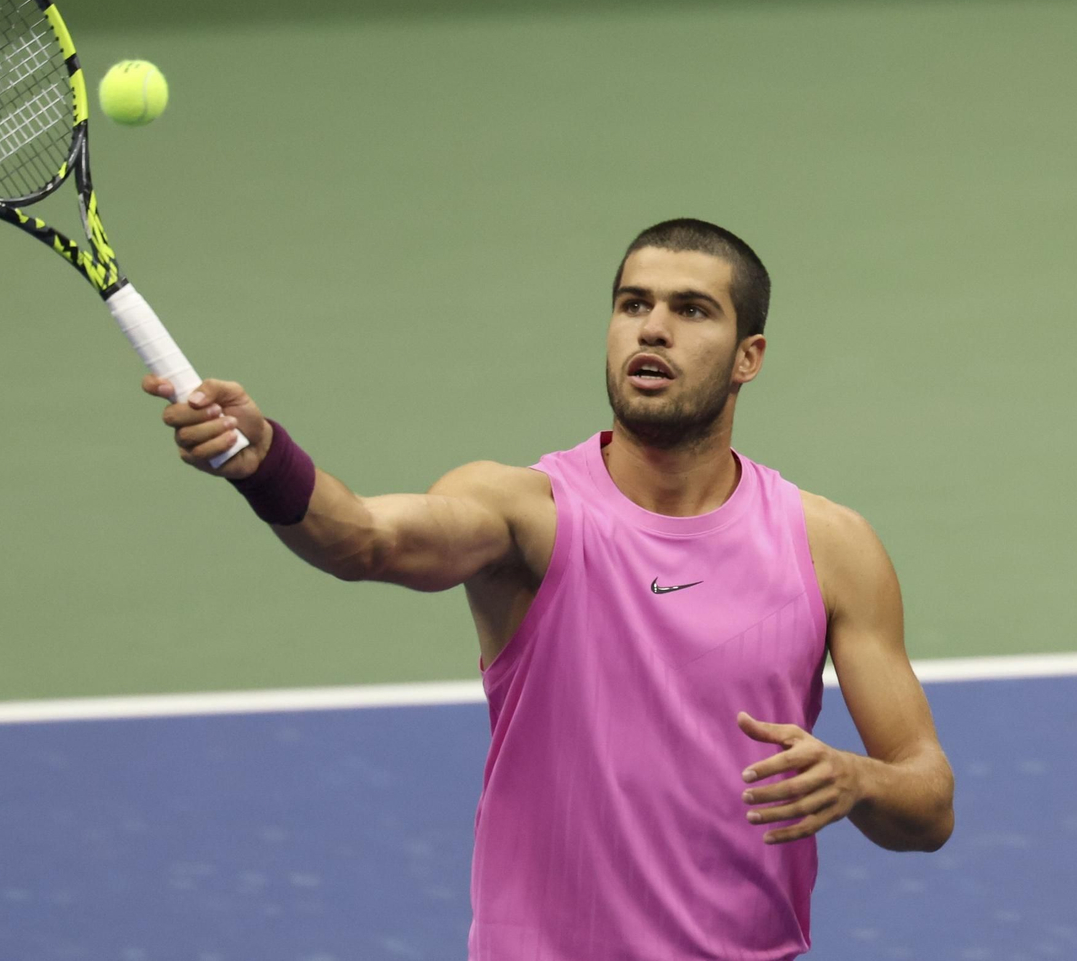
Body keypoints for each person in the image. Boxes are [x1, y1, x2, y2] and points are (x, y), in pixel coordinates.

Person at [143, 218, 954, 960]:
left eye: (692, 310)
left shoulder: (830, 548)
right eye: (633, 304)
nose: (653, 328)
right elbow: (363, 539)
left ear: (750, 356)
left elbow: (929, 803)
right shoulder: (526, 514)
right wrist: (265, 463)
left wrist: (857, 781)